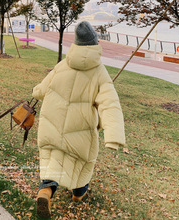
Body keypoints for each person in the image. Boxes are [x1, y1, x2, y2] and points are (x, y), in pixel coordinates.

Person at [32, 21, 125, 218]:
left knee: (53, 162)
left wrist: (36, 91)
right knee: (84, 162)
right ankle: (77, 195)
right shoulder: (100, 72)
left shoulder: (62, 65)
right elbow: (110, 104)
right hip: (80, 130)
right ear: (94, 44)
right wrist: (114, 136)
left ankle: (45, 191)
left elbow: (41, 89)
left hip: (52, 126)